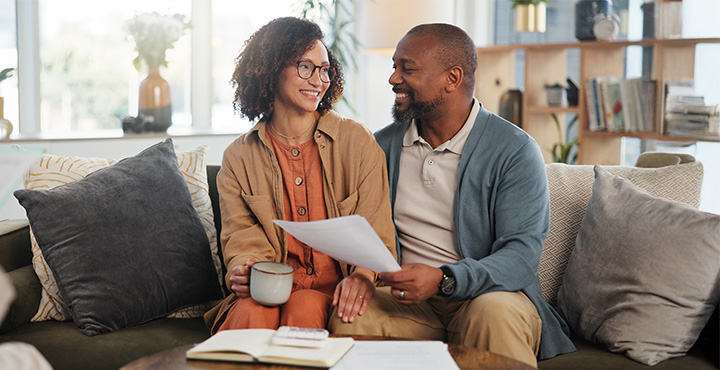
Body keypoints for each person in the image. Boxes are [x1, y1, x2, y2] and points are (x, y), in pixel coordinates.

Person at [328, 23, 575, 367]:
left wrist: (444, 278)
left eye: (407, 68)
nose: (394, 79)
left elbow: (520, 257)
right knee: (352, 316)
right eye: (394, 67)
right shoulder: (381, 147)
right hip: (405, 300)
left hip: (487, 295)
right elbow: (361, 228)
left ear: (453, 78)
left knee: (494, 313)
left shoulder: (514, 150)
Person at [203, 17, 396, 334]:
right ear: (271, 69)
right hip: (268, 289)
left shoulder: (357, 142)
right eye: (305, 67)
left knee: (304, 305)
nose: (318, 80)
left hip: (335, 293)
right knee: (252, 311)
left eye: (324, 70)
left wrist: (362, 276)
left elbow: (378, 233)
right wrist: (244, 269)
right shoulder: (238, 156)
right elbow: (242, 238)